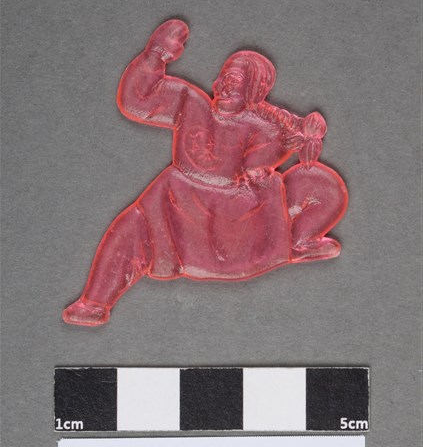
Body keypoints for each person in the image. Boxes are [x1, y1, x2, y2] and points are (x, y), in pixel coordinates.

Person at [63, 20, 348, 326]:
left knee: (321, 184)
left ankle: (301, 241)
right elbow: (137, 101)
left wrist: (301, 132)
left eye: (233, 80)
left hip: (235, 217)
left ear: (253, 91)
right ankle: (94, 303)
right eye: (222, 78)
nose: (221, 85)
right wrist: (154, 56)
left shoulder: (262, 126)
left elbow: (263, 161)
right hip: (175, 199)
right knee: (130, 229)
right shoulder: (192, 104)